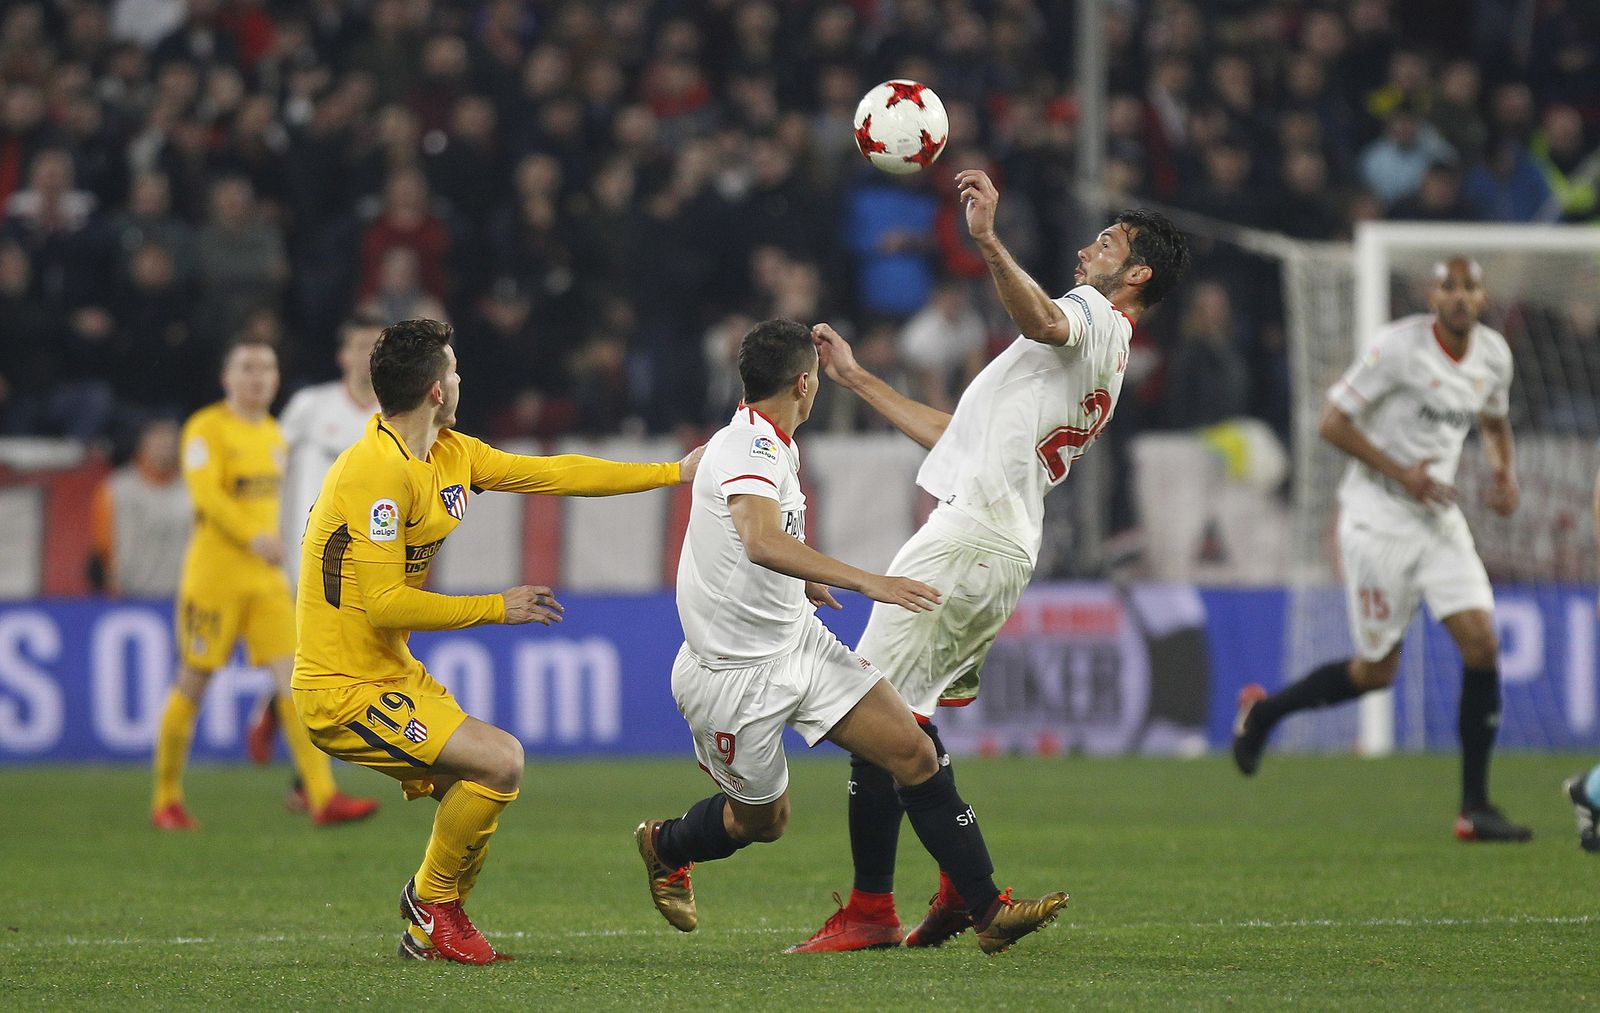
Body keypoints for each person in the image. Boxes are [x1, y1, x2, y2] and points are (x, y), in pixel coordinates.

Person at [786, 173, 1191, 953]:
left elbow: (1041, 318)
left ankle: (922, 901)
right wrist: (859, 379)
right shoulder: (1093, 355)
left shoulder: (1095, 316)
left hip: (968, 542)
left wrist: (985, 241)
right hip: (996, 545)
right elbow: (957, 435)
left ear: (1136, 275)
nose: (1086, 249)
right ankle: (931, 893)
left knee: (867, 712)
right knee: (898, 718)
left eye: (1105, 243)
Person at [634, 317, 1069, 957]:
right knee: (764, 822)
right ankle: (665, 845)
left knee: (912, 752)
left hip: (799, 647)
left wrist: (801, 584)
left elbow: (747, 543)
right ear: (806, 383)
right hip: (733, 676)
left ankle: (987, 909)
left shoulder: (775, 442)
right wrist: (869, 581)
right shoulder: (747, 447)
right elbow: (758, 539)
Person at [290, 318, 701, 964]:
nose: (460, 379)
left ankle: (431, 922)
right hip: (340, 686)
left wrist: (672, 471)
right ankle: (433, 904)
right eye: (451, 370)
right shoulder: (373, 472)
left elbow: (553, 472)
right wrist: (496, 606)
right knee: (499, 760)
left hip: (388, 670)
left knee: (480, 775)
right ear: (432, 390)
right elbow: (384, 602)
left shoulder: (451, 453)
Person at [1232, 257, 1530, 843]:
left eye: (1471, 288)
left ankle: (1475, 807)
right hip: (1377, 519)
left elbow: (1494, 423)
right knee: (1376, 672)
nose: (1461, 298)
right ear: (1432, 294)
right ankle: (1264, 714)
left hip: (1438, 520)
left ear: (1482, 295)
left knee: (1483, 644)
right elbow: (1332, 423)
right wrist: (1403, 475)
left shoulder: (1494, 354)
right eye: (1450, 287)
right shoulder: (1396, 348)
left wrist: (1503, 476)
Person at [150, 337, 380, 831]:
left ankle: (322, 796)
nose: (258, 378)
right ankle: (166, 797)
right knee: (193, 681)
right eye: (248, 368)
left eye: (266, 369)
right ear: (226, 378)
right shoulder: (206, 429)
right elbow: (207, 496)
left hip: (268, 581)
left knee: (298, 686)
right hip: (214, 579)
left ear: (276, 380)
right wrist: (252, 535)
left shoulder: (276, 435)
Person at [244, 315, 384, 777]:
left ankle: (273, 709)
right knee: (331, 668)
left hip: (368, 559)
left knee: (333, 669)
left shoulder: (395, 418)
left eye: (375, 346)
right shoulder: (309, 407)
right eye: (359, 345)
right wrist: (261, 529)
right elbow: (269, 467)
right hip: (305, 554)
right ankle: (307, 782)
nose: (367, 356)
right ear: (342, 355)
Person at [89, 417, 190, 598]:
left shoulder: (195, 487)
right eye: (157, 442)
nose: (164, 449)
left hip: (185, 595)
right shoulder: (116, 489)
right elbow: (102, 546)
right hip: (132, 596)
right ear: (143, 444)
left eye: (169, 442)